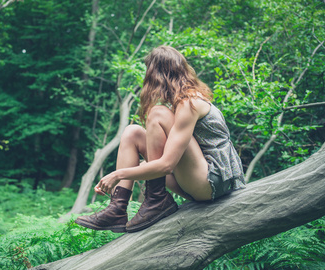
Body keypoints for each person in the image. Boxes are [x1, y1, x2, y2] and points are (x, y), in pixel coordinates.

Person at [75, 45, 245, 233]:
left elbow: (166, 166)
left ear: (157, 76)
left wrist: (118, 174)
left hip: (213, 183)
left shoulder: (190, 103)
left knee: (157, 113)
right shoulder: (181, 102)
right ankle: (117, 208)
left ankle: (156, 201)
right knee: (132, 132)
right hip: (197, 182)